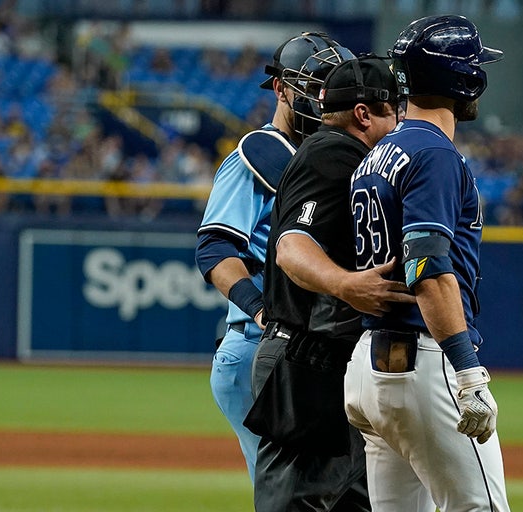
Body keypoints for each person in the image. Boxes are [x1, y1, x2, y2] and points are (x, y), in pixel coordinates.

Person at [344, 15, 510, 511]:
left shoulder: (378, 153)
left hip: (370, 368)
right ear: (463, 79)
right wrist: (467, 372)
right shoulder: (434, 153)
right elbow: (428, 266)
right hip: (424, 363)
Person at [248, 54, 413, 511]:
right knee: (297, 503)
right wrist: (346, 284)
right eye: (395, 109)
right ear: (364, 113)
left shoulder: (351, 156)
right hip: (305, 356)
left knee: (353, 500)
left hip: (329, 355)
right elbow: (291, 248)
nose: (402, 119)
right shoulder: (333, 153)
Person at [194, 32, 353, 485]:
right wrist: (261, 309)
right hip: (258, 345)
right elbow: (216, 248)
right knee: (295, 490)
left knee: (330, 487)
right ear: (281, 88)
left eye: (330, 87)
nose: (322, 98)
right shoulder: (257, 155)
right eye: (313, 85)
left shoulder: (328, 155)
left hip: (312, 346)